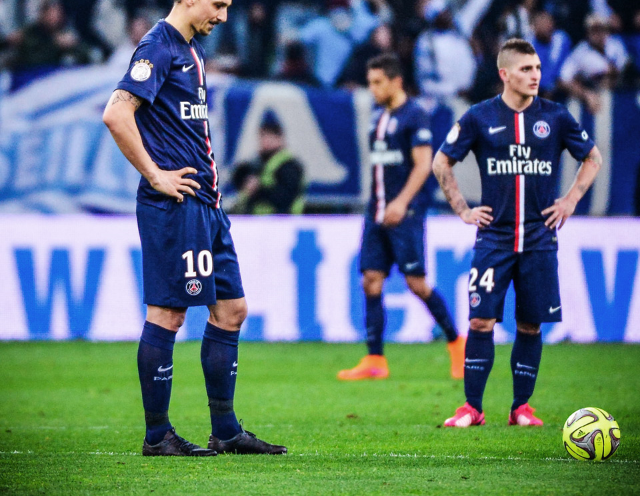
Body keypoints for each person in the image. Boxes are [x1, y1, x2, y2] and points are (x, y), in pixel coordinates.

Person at [102, 0, 286, 456]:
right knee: (168, 314)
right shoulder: (157, 47)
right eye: (218, 4)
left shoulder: (192, 51)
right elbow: (117, 114)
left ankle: (225, 431)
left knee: (231, 309)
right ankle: (157, 434)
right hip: (175, 204)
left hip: (207, 204)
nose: (224, 15)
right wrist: (155, 175)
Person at [432, 38, 602, 427]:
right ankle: (472, 408)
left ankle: (521, 407)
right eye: (526, 69)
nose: (535, 75)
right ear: (504, 74)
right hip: (494, 238)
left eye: (538, 69)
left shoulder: (556, 117)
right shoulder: (479, 117)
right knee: (480, 322)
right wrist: (462, 208)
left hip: (539, 239)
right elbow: (442, 161)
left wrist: (571, 200)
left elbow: (593, 157)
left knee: (530, 323)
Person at [337, 53, 465, 382]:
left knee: (416, 284)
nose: (373, 89)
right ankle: (375, 359)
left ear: (396, 81)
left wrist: (401, 202)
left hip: (405, 213)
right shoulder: (377, 118)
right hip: (376, 211)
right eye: (370, 83)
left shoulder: (415, 116)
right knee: (371, 280)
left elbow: (424, 165)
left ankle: (457, 344)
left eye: (378, 82)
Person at [231, 115, 306, 215]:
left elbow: (285, 196)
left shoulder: (289, 165)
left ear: (279, 138)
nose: (264, 141)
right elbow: (238, 177)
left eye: (269, 136)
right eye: (262, 136)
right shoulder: (257, 162)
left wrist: (258, 189)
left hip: (283, 220)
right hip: (258, 219)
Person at [558, 13, 629, 114]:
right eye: (594, 30)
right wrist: (586, 94)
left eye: (601, 29)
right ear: (587, 32)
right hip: (593, 98)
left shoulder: (615, 45)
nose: (598, 34)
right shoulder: (581, 51)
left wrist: (611, 74)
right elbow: (563, 79)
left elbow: (626, 70)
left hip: (620, 98)